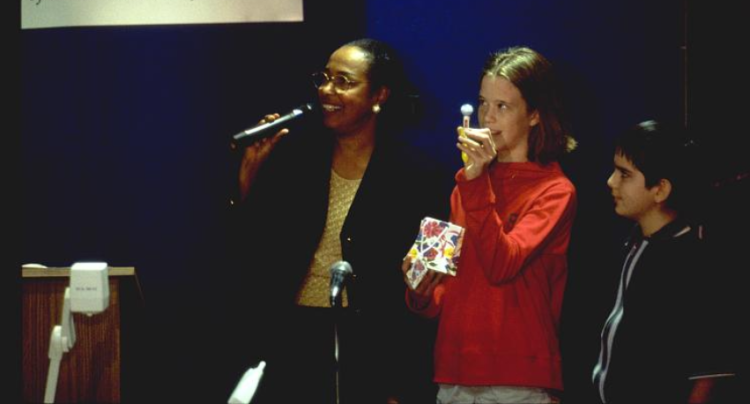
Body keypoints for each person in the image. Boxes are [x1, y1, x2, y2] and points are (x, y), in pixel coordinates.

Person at [226, 38, 451, 404]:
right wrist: (249, 178)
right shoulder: (295, 159)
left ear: (379, 95)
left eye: (344, 81)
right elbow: (248, 253)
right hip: (292, 337)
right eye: (324, 78)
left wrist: (402, 384)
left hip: (373, 346)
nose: (327, 90)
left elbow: (437, 273)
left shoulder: (423, 174)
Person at [403, 46, 578, 404]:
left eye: (503, 106)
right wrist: (420, 288)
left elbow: (502, 264)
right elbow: (444, 288)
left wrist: (475, 182)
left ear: (534, 114)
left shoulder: (555, 190)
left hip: (516, 377)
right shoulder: (467, 184)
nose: (488, 117)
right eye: (484, 103)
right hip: (453, 371)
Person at [591, 120, 737, 404]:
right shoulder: (634, 245)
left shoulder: (692, 262)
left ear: (660, 189)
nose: (611, 182)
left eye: (624, 174)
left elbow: (709, 369)